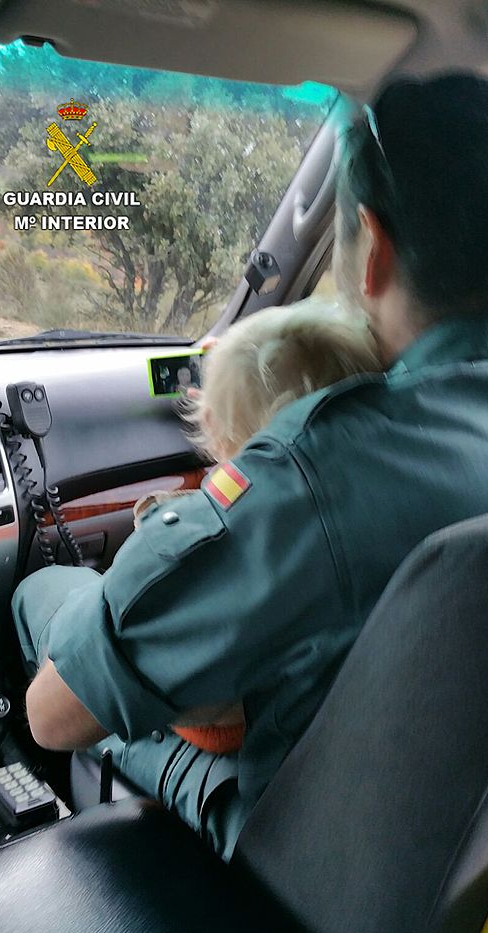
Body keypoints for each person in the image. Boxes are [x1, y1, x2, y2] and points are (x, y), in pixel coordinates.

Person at [14, 72, 488, 862]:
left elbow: (56, 715)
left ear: (371, 252)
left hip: (299, 857)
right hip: (470, 855)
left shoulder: (319, 470)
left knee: (45, 597)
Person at [131, 300, 379, 753]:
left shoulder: (234, 527)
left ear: (213, 426)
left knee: (48, 592)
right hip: (339, 727)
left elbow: (179, 668)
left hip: (234, 734)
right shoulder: (377, 500)